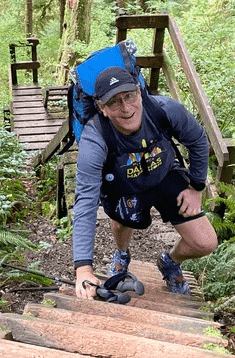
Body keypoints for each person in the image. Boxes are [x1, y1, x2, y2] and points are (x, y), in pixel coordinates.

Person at [72, 66, 218, 299]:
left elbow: (198, 139)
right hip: (122, 185)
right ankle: (121, 254)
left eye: (129, 95)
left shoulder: (165, 110)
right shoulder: (95, 138)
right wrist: (83, 268)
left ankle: (170, 261)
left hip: (165, 174)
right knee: (122, 223)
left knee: (205, 242)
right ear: (102, 108)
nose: (126, 108)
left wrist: (196, 187)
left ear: (140, 92)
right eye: (114, 102)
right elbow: (85, 202)